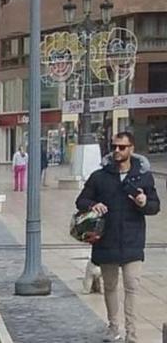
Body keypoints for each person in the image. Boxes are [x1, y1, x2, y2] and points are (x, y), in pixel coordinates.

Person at [75, 132, 160, 343]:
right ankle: (113, 328)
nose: (117, 151)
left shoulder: (143, 177)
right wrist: (92, 205)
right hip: (106, 241)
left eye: (122, 147)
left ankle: (132, 334)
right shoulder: (99, 176)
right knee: (110, 287)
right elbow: (81, 200)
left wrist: (143, 202)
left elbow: (154, 206)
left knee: (132, 287)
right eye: (114, 146)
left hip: (133, 241)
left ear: (131, 148)